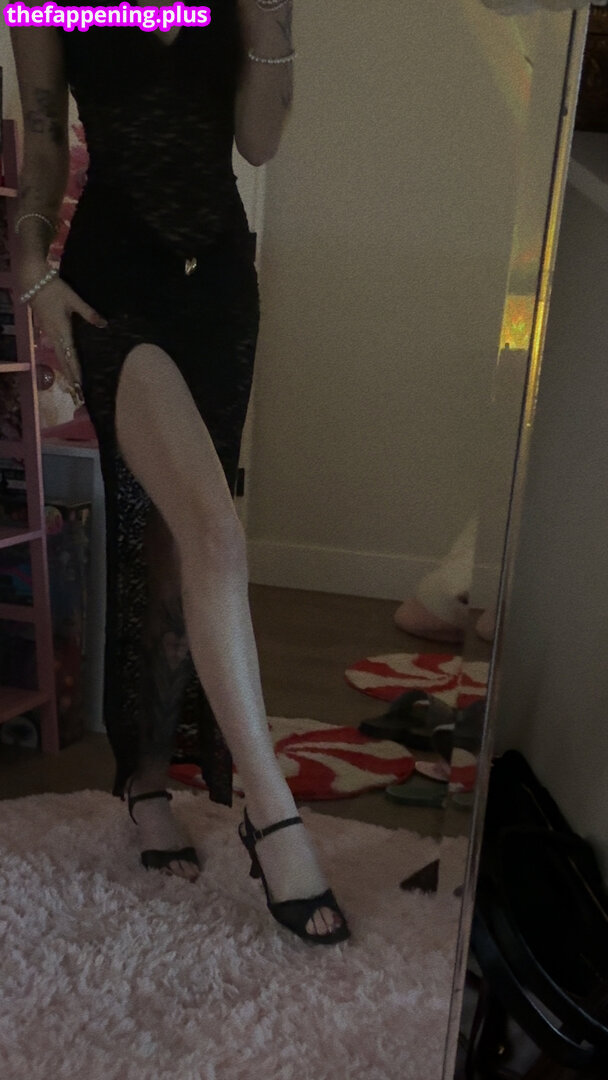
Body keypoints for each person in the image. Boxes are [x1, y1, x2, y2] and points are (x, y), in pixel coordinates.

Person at [11, 0, 350, 945]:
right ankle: (273, 814)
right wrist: (30, 266)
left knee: (179, 549)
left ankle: (149, 779)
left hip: (222, 291)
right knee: (217, 532)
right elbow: (45, 142)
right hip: (114, 289)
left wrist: (272, 18)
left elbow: (258, 144)